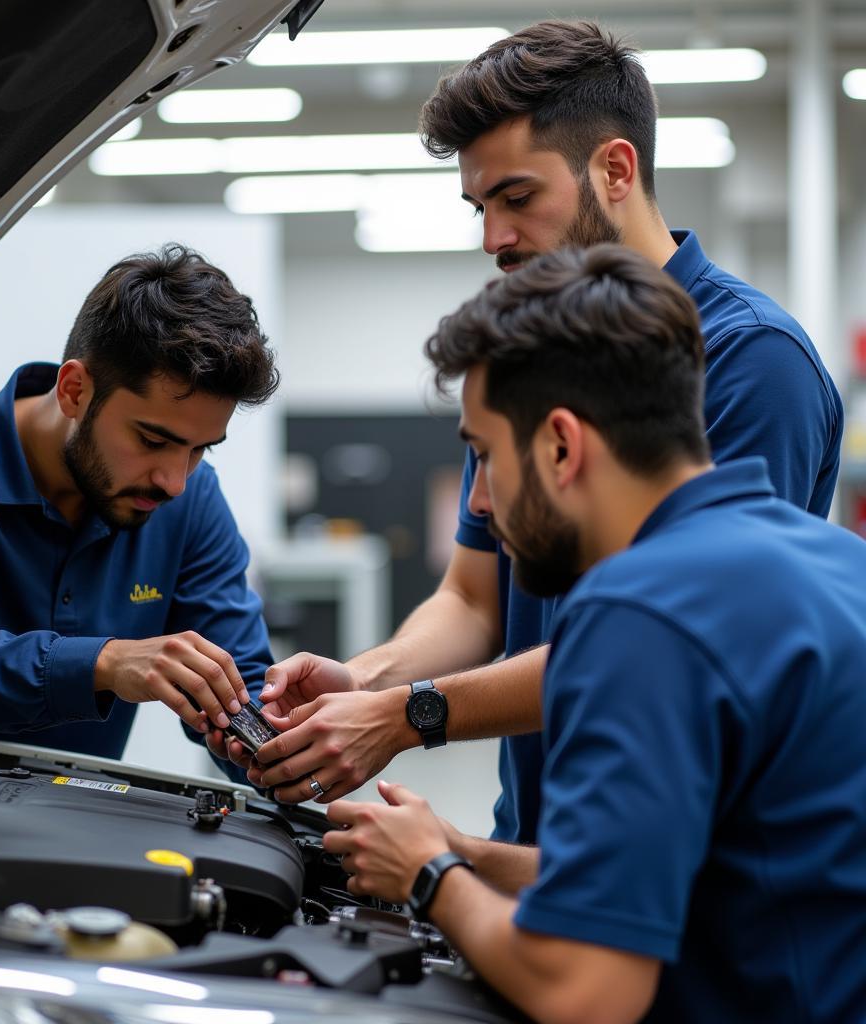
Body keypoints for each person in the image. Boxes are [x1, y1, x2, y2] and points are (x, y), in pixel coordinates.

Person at [239, 21, 843, 832]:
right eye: (480, 206)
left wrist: (409, 716)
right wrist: (367, 678)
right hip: (534, 838)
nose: (494, 239)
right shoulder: (527, 350)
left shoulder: (751, 363)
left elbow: (673, 640)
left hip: (669, 856)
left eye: (518, 198)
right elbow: (473, 594)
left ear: (615, 169)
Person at [325, 244, 866, 1024]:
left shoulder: (639, 613)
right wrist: (468, 855)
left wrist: (430, 876)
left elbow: (584, 990)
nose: (476, 500)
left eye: (483, 455)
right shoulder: (837, 561)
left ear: (560, 446)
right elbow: (700, 876)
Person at [0, 243, 278, 776]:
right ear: (74, 390)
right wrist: (108, 663)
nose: (175, 482)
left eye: (200, 448)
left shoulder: (193, 501)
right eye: (151, 440)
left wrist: (285, 745)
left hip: (69, 827)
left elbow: (239, 691)